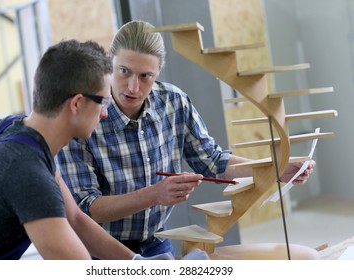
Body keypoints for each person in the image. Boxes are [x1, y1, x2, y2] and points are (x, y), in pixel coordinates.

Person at [56, 21, 318, 259]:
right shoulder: (84, 114)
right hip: (98, 249)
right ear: (109, 63)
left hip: (156, 241)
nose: (133, 87)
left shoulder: (174, 102)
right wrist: (154, 195)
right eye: (124, 71)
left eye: (145, 76)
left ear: (158, 72)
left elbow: (213, 161)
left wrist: (275, 170)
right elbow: (87, 208)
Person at [0, 38, 207, 260]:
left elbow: (76, 219)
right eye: (104, 102)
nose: (104, 113)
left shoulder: (14, 130)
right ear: (77, 103)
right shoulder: (27, 172)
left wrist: (137, 264)